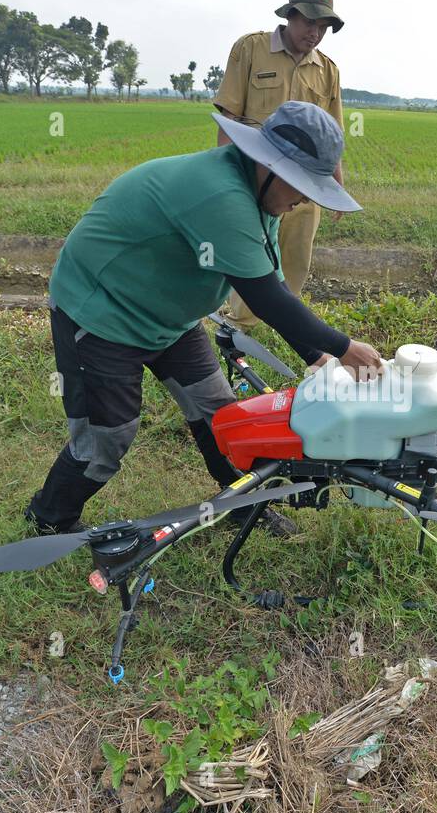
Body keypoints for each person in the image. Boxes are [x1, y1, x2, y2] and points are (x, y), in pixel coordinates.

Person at [25, 101, 383, 538]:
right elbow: (265, 298)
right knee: (108, 437)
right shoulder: (222, 194)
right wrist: (345, 349)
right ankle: (49, 518)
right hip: (102, 313)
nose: (304, 199)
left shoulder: (262, 198)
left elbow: (267, 280)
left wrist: (315, 354)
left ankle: (240, 503)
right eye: (301, 185)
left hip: (169, 319)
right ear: (268, 165)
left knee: (224, 416)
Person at [212, 0, 345, 331]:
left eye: (323, 25)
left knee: (296, 257)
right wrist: (226, 176)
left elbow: (333, 134)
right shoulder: (251, 49)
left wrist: (337, 188)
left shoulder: (328, 71)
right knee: (250, 254)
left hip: (305, 187)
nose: (314, 32)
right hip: (257, 178)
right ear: (289, 15)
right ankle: (239, 326)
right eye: (308, 21)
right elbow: (230, 117)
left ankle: (286, 320)